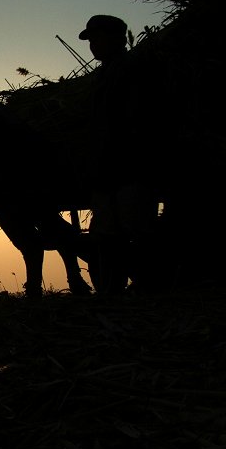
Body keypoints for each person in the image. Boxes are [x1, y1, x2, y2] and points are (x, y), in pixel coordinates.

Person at [78, 15, 161, 294]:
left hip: (130, 167)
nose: (92, 46)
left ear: (117, 38)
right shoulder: (101, 75)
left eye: (96, 38)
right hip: (105, 171)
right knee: (106, 234)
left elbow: (135, 121)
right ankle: (112, 291)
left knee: (135, 228)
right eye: (90, 41)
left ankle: (148, 287)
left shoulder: (132, 68)